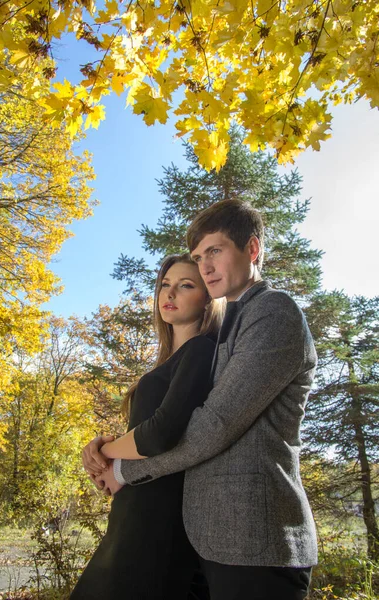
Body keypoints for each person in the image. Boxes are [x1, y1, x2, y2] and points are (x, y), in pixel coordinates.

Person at [84, 199, 318, 600]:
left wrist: (123, 469)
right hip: (208, 543)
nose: (205, 265)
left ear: (252, 250)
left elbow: (214, 427)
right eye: (198, 255)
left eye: (215, 251)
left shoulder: (274, 312)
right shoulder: (230, 327)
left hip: (257, 541)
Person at [71, 254, 224, 600]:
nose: (170, 294)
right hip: (133, 509)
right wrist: (103, 455)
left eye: (186, 285)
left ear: (207, 299)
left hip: (158, 516)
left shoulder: (201, 350)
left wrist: (106, 454)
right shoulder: (169, 361)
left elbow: (161, 432)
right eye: (165, 285)